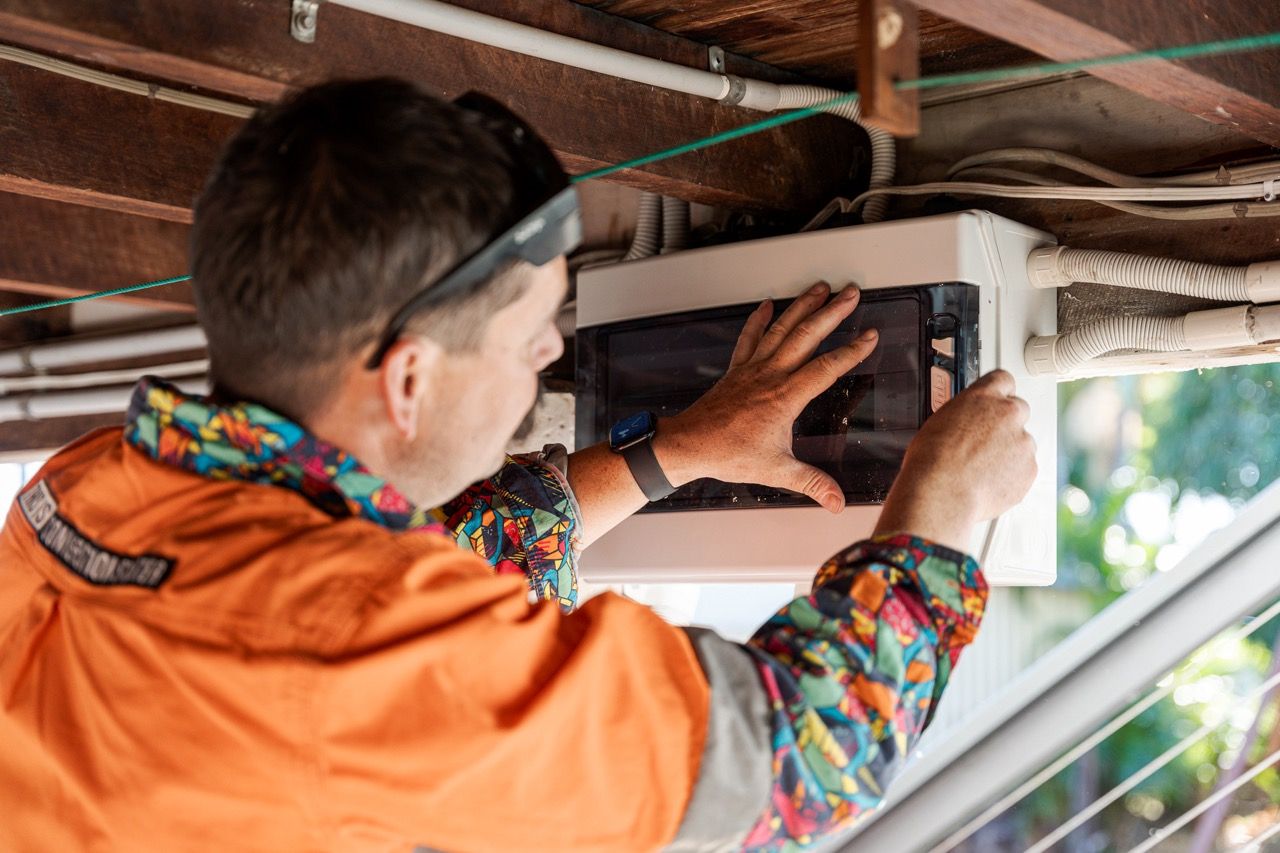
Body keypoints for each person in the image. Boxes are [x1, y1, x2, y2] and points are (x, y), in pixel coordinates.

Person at [0, 78, 1037, 851]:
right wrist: (938, 505)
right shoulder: (348, 644)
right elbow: (796, 748)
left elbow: (368, 593)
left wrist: (669, 452)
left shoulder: (93, 480)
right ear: (406, 380)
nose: (554, 354)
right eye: (533, 332)